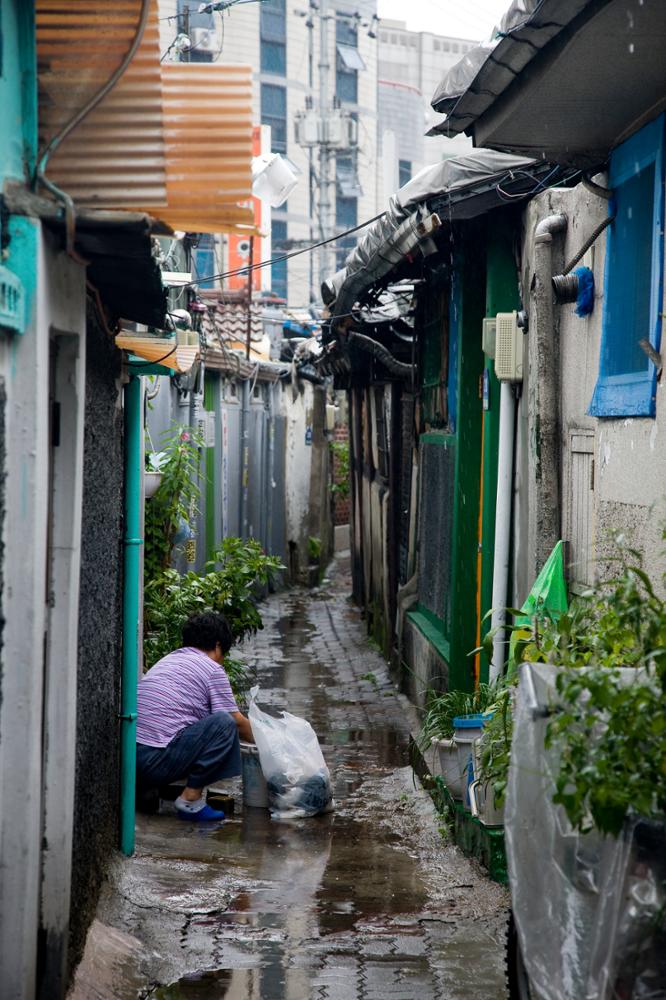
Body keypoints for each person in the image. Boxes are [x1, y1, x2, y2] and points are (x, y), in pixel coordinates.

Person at [136, 611, 253, 821]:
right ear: (218, 646)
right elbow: (235, 721)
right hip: (154, 763)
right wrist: (270, 745)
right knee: (224, 723)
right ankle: (190, 799)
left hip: (130, 760)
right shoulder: (212, 669)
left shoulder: (168, 660)